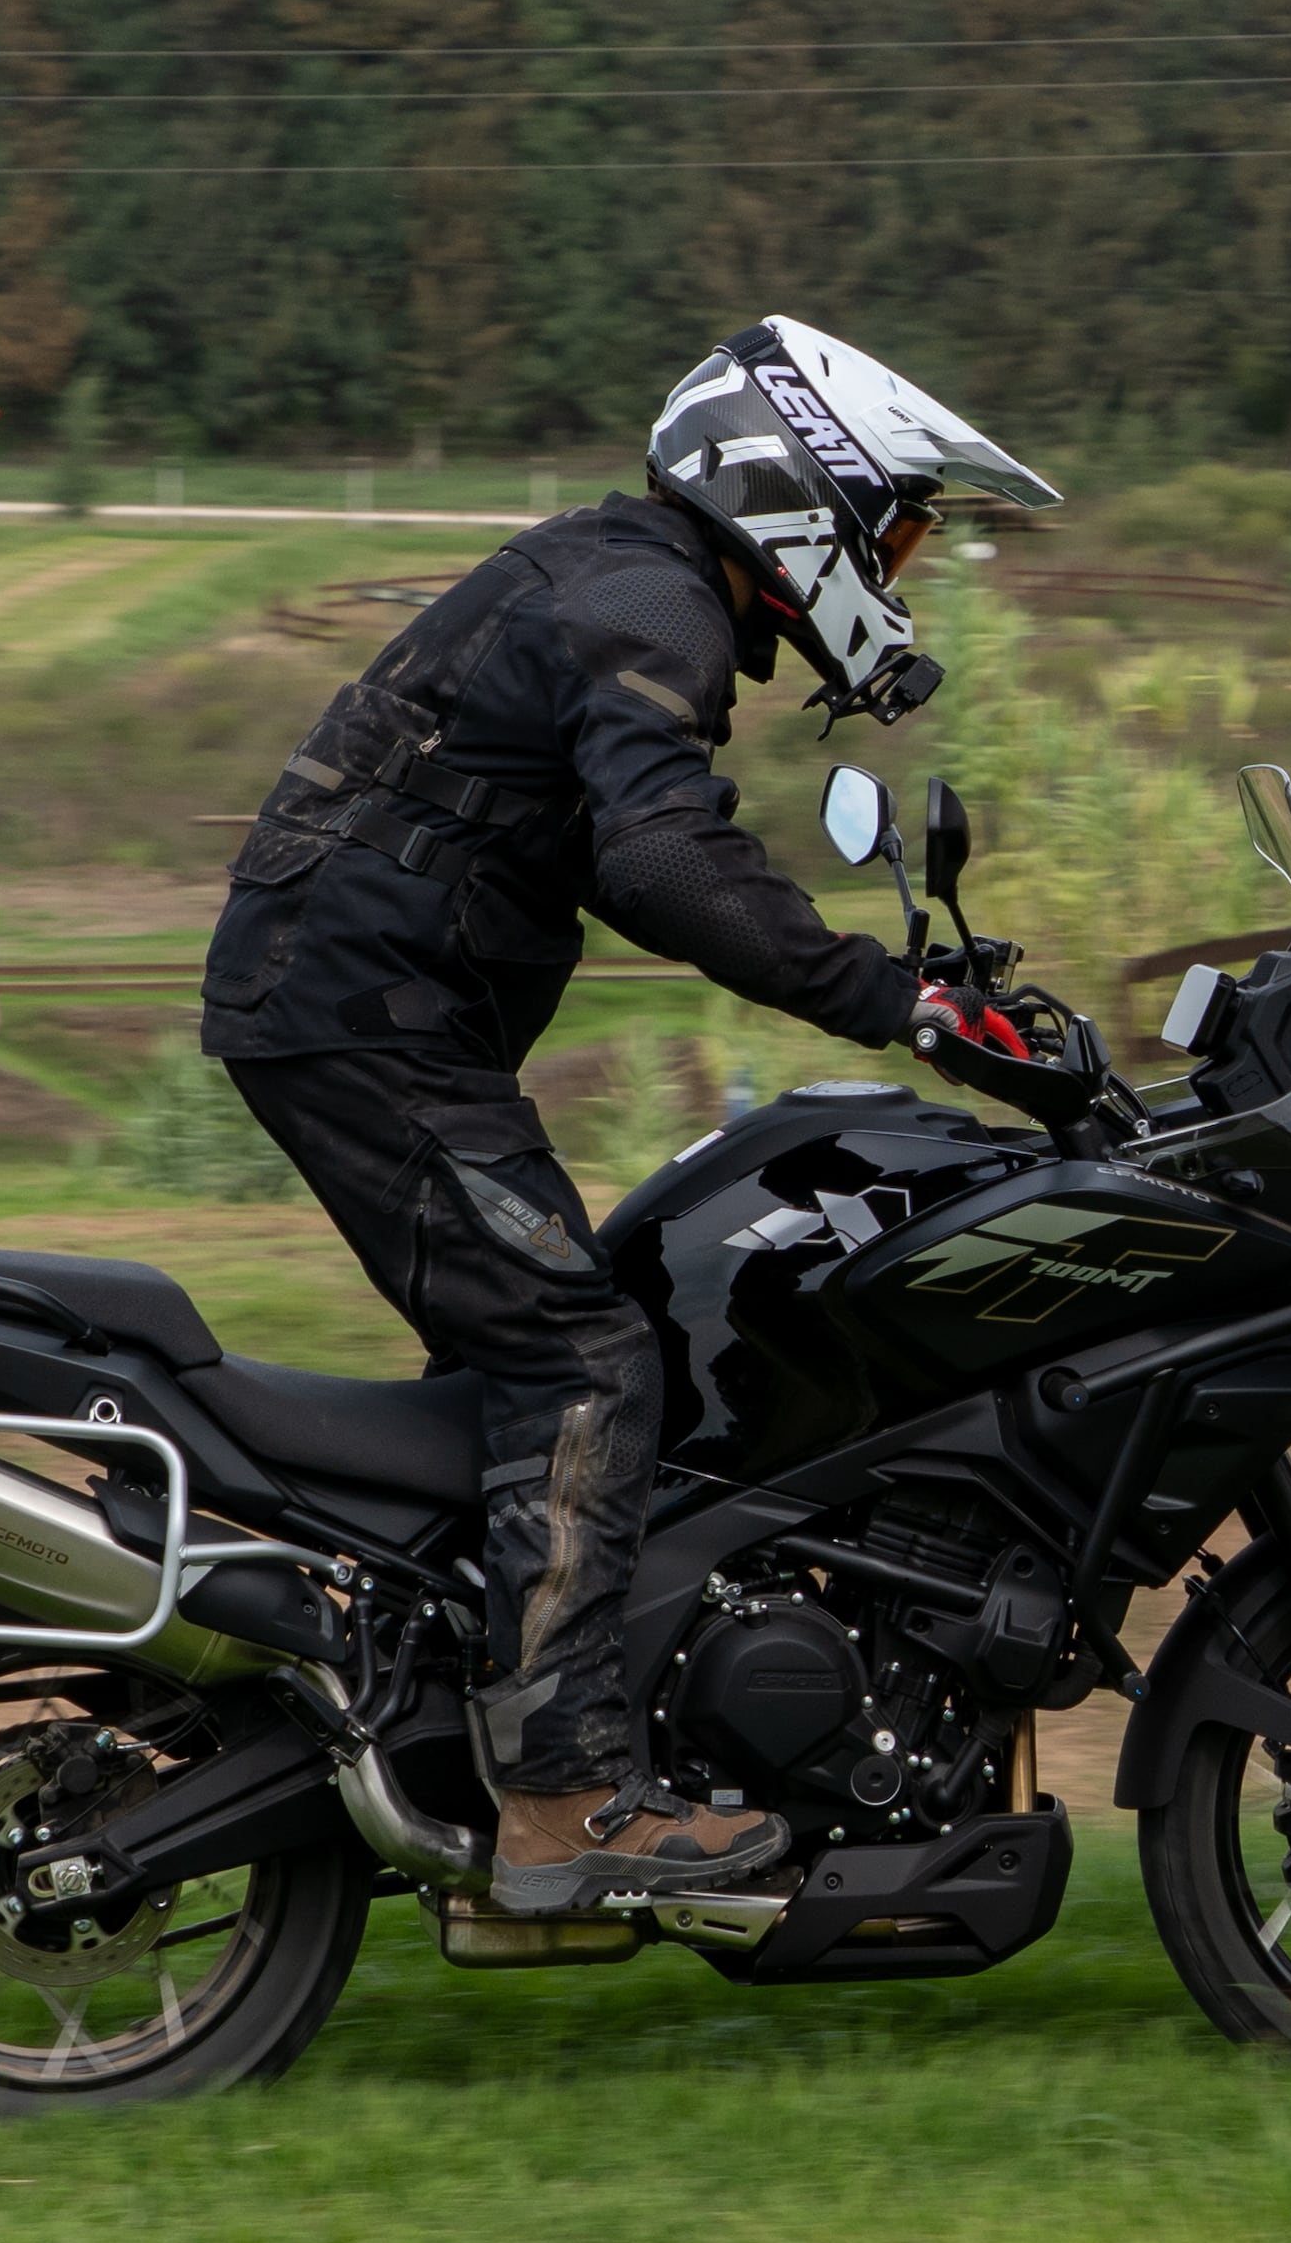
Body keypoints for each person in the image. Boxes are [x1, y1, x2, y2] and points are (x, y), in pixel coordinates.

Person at [201, 314, 1055, 1917]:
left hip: (359, 1010)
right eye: (899, 529)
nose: (906, 568)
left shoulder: (624, 581)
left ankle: (468, 1709)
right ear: (803, 497)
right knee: (582, 1357)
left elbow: (620, 854)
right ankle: (560, 1793)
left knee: (561, 1342)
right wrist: (895, 1001)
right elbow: (667, 863)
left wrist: (893, 989)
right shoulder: (652, 599)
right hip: (360, 1021)